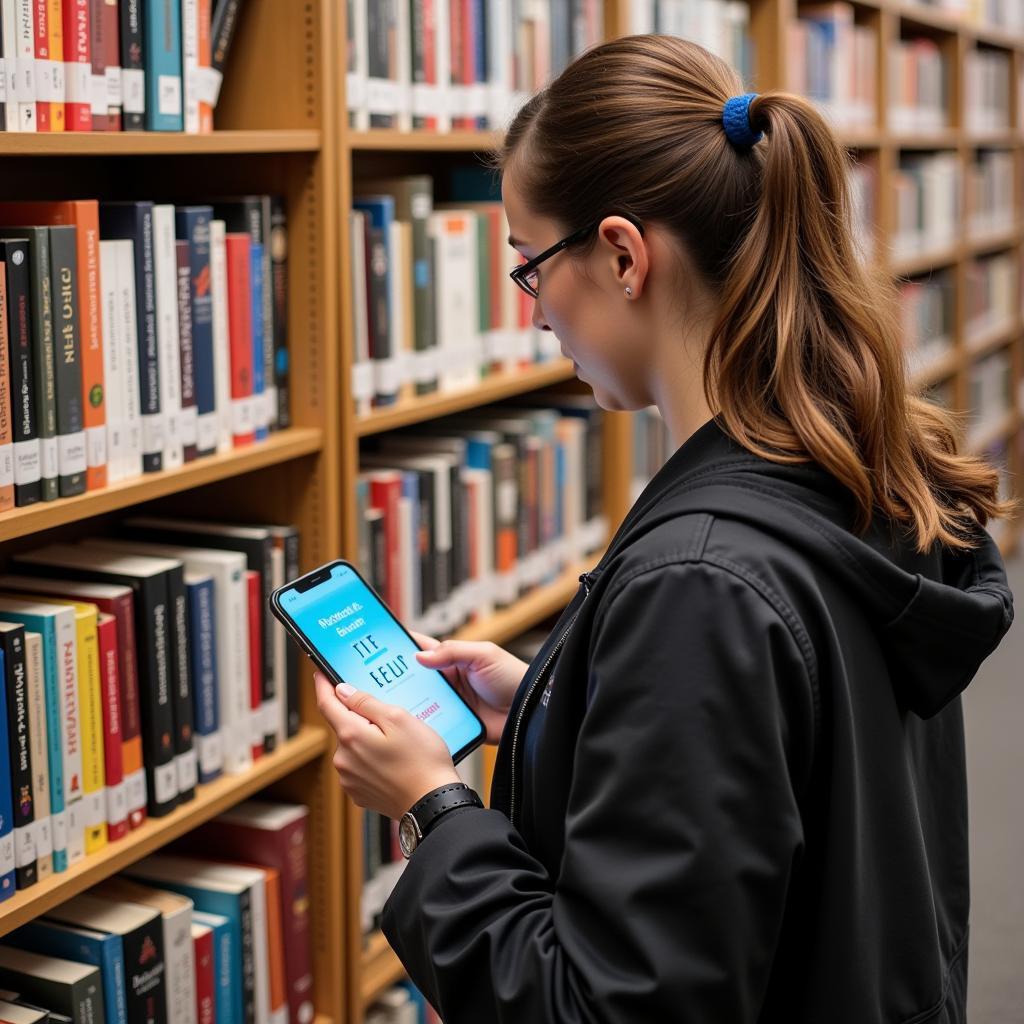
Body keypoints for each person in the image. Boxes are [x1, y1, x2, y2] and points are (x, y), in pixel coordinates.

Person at [314, 34, 1014, 1023]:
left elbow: (608, 1006)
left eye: (528, 266)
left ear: (621, 255)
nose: (534, 313)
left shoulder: (699, 582)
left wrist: (436, 810)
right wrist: (564, 715)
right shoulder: (854, 469)